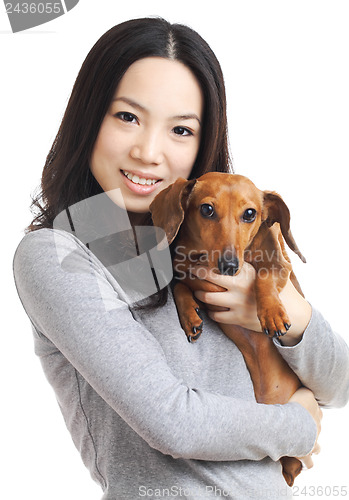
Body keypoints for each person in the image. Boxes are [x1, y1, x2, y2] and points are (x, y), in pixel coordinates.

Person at [13, 17, 349, 500]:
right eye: (127, 116)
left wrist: (290, 314)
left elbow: (339, 387)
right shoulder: (60, 255)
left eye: (181, 129)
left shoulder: (213, 243)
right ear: (89, 116)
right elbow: (174, 421)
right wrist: (297, 424)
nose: (149, 151)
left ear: (203, 140)